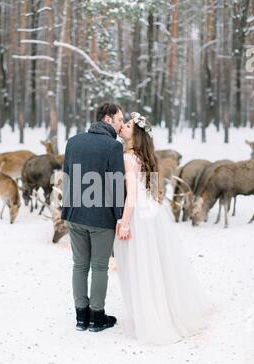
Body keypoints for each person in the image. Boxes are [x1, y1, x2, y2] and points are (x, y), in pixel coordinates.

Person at [114, 112, 209, 345]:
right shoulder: (149, 157)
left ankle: (150, 316)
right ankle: (163, 308)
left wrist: (124, 222)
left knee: (140, 265)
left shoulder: (128, 157)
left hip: (138, 214)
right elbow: (156, 190)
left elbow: (132, 195)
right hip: (153, 214)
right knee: (157, 262)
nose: (122, 127)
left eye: (127, 125)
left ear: (135, 134)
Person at [61, 102, 125, 332]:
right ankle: (97, 317)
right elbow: (117, 184)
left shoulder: (73, 141)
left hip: (75, 215)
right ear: (107, 119)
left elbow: (66, 176)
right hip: (101, 219)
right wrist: (120, 218)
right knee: (99, 267)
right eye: (119, 120)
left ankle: (81, 317)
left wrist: (65, 210)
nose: (121, 125)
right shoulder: (113, 147)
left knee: (79, 265)